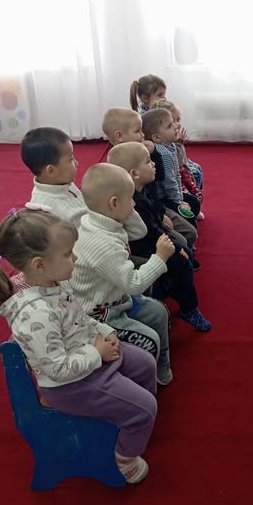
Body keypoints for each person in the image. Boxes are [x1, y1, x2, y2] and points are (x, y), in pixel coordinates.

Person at [0, 206, 158, 484]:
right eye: (67, 254)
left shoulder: (52, 282)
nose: (75, 258)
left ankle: (131, 422)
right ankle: (125, 457)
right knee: (145, 408)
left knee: (145, 364)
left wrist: (104, 330)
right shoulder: (35, 315)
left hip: (88, 356)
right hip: (72, 384)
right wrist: (97, 352)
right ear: (39, 264)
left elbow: (78, 317)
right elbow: (58, 369)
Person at [69, 162, 176, 385]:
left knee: (159, 312)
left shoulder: (103, 220)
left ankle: (161, 362)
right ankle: (144, 380)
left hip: (116, 298)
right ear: (114, 203)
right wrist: (160, 257)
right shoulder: (101, 244)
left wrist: (125, 209)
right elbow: (134, 284)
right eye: (131, 198)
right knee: (151, 340)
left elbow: (139, 231)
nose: (135, 203)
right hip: (99, 313)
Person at [107, 142, 211, 331]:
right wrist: (177, 249)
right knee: (182, 262)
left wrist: (163, 216)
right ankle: (189, 308)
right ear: (134, 174)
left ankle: (170, 284)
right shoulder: (134, 201)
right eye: (148, 161)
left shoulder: (143, 187)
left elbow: (156, 206)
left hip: (155, 237)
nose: (154, 163)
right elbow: (151, 234)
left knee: (185, 251)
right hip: (147, 247)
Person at [21, 127, 146, 241]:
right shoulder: (52, 210)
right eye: (70, 159)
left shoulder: (61, 183)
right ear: (51, 171)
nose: (76, 163)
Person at [101, 108, 198, 251]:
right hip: (145, 219)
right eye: (138, 131)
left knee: (189, 231)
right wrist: (161, 217)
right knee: (182, 240)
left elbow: (158, 177)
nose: (142, 135)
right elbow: (140, 207)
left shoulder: (142, 150)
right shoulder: (117, 164)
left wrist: (154, 153)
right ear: (119, 136)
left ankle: (185, 252)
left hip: (155, 206)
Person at [141, 107, 201, 225]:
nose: (175, 126)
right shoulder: (164, 154)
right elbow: (169, 182)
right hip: (163, 198)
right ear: (156, 138)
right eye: (169, 126)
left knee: (194, 202)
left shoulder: (171, 146)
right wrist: (178, 202)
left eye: (173, 122)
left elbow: (177, 174)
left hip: (171, 194)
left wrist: (180, 198)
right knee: (188, 215)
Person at [152, 99, 205, 216]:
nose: (177, 125)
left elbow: (180, 163)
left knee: (196, 170)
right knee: (194, 174)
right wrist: (178, 202)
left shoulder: (170, 142)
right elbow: (172, 175)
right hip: (170, 189)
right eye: (171, 124)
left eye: (178, 120)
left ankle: (193, 208)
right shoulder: (164, 151)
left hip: (178, 175)